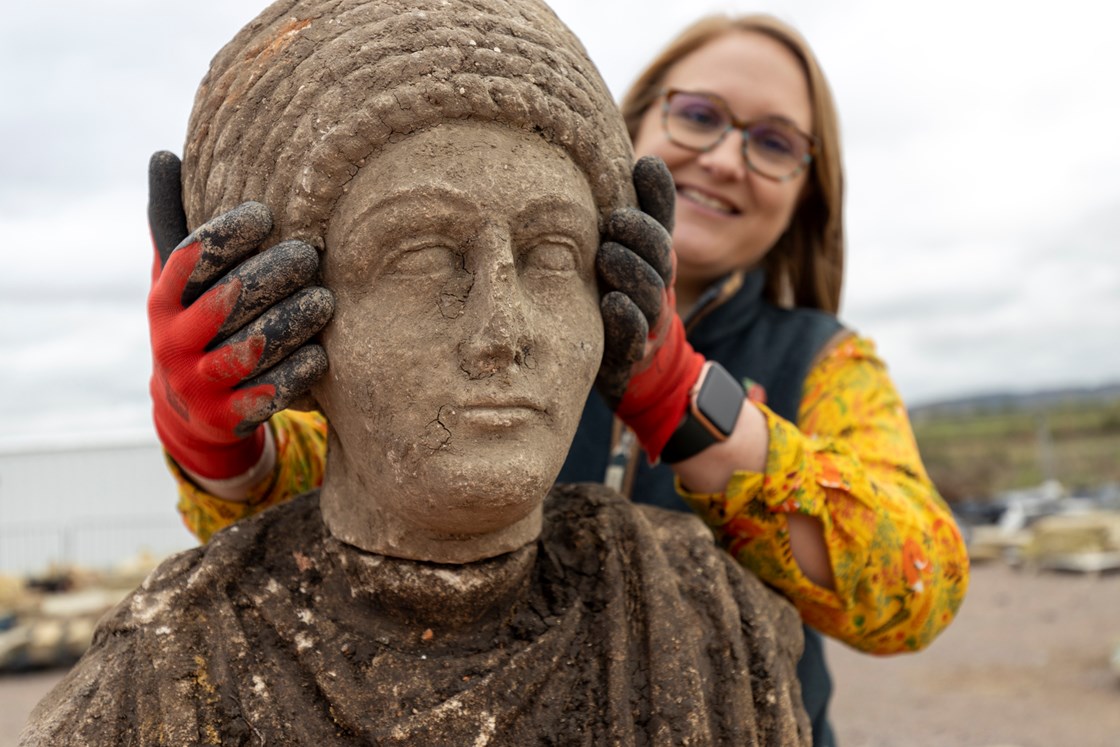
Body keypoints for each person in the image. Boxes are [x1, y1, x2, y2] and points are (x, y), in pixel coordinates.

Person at [144, 10, 970, 747]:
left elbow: (914, 588)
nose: (725, 157)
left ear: (807, 190)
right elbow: (299, 494)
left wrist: (683, 399)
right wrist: (215, 438)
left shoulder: (824, 360)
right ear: (638, 119)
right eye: (699, 115)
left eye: (775, 141)